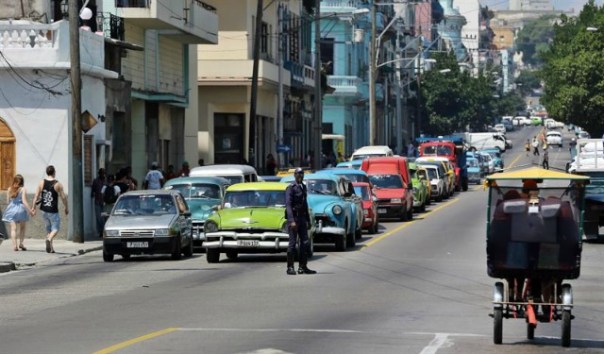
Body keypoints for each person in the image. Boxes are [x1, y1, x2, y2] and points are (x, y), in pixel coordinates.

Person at [285, 168, 316, 275]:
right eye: (298, 174)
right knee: (292, 244)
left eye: (302, 174)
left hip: (302, 219)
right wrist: (291, 220)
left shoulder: (303, 187)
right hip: (294, 219)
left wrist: (308, 219)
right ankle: (290, 267)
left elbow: (305, 204)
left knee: (305, 243)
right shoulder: (291, 188)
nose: (300, 176)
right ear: (294, 175)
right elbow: (288, 205)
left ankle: (303, 267)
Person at [32, 165, 68, 254]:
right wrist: (66, 207)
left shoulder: (41, 182)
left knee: (48, 229)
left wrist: (33, 207)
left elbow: (36, 196)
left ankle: (51, 248)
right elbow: (63, 197)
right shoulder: (57, 184)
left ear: (47, 172)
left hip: (43, 209)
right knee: (55, 228)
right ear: (54, 172)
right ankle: (49, 239)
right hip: (53, 210)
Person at [2, 174, 34, 251]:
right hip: (21, 210)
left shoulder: (9, 189)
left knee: (13, 229)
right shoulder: (23, 189)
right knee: (22, 228)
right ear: (22, 182)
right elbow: (24, 201)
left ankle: (14, 246)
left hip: (11, 209)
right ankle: (21, 243)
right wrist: (30, 210)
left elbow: (7, 201)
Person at [91, 168, 106, 238]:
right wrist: (92, 194)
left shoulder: (105, 181)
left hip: (104, 202)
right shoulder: (96, 181)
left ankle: (103, 231)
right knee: (98, 217)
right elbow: (93, 190)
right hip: (97, 201)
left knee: (104, 217)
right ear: (99, 173)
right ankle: (100, 231)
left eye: (103, 173)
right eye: (101, 173)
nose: (102, 174)